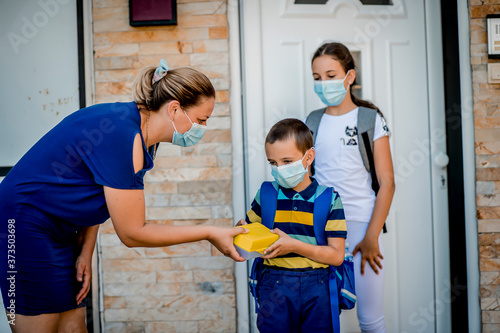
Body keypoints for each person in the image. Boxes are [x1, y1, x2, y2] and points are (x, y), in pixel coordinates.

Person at [0, 59, 247, 333]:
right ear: (175, 108)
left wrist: (86, 251)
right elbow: (132, 233)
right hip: (21, 224)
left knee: (73, 327)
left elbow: (95, 189)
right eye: (201, 120)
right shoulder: (122, 135)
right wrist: (210, 232)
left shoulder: (142, 135)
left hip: (63, 228)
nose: (202, 128)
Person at [305, 42, 395, 333]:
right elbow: (305, 179)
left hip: (361, 228)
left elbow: (388, 182)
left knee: (369, 318)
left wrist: (371, 236)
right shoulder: (312, 122)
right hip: (321, 227)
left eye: (331, 75)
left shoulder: (370, 120)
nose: (324, 84)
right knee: (322, 316)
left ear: (349, 76)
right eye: (317, 78)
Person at [237, 118, 347, 333]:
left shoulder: (329, 199)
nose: (279, 169)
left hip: (317, 287)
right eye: (273, 163)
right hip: (273, 285)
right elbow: (247, 236)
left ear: (309, 157)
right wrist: (240, 230)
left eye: (287, 161)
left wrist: (294, 245)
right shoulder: (266, 194)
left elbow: (336, 256)